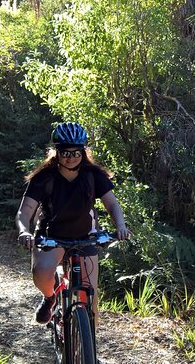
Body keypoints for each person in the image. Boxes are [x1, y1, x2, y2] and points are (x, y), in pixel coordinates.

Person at [15, 122, 131, 325]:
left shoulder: (93, 175)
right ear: (56, 152)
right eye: (65, 153)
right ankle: (50, 297)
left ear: (83, 152)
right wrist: (24, 231)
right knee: (42, 273)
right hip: (52, 237)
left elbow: (112, 204)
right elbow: (24, 212)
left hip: (85, 237)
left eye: (76, 153)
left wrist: (120, 225)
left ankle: (89, 353)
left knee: (91, 301)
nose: (71, 158)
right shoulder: (44, 178)